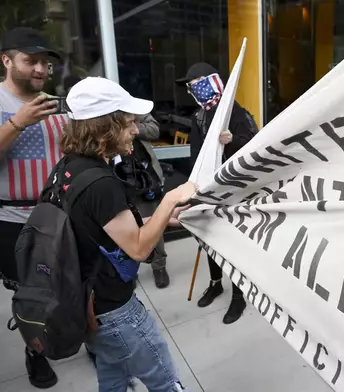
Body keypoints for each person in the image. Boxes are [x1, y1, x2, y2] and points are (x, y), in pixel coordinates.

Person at [60, 76, 194, 391]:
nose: (136, 130)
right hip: (116, 311)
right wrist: (171, 199)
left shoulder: (70, 166)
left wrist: (163, 219)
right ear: (103, 126)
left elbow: (105, 228)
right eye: (128, 123)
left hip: (90, 305)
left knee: (114, 381)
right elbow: (137, 249)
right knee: (165, 382)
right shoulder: (100, 182)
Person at [0, 27, 64, 389]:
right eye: (30, 61)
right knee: (30, 297)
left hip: (58, 215)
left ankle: (75, 335)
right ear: (6, 60)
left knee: (74, 283)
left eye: (45, 63)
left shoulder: (56, 104)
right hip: (12, 221)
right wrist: (17, 122)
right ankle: (36, 352)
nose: (40, 69)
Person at [175, 62, 257, 324]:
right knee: (208, 241)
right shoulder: (198, 117)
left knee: (232, 245)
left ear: (209, 81)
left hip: (234, 192)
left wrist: (232, 141)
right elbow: (196, 156)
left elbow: (254, 149)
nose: (191, 89)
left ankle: (238, 294)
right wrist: (193, 187)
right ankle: (215, 283)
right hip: (206, 191)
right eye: (189, 86)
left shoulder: (235, 112)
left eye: (194, 82)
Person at [133, 113, 171, 289]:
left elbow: (154, 130)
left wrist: (133, 127)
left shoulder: (133, 107)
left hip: (145, 179)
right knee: (124, 228)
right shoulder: (99, 114)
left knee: (154, 224)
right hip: (115, 178)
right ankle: (129, 270)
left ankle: (159, 267)